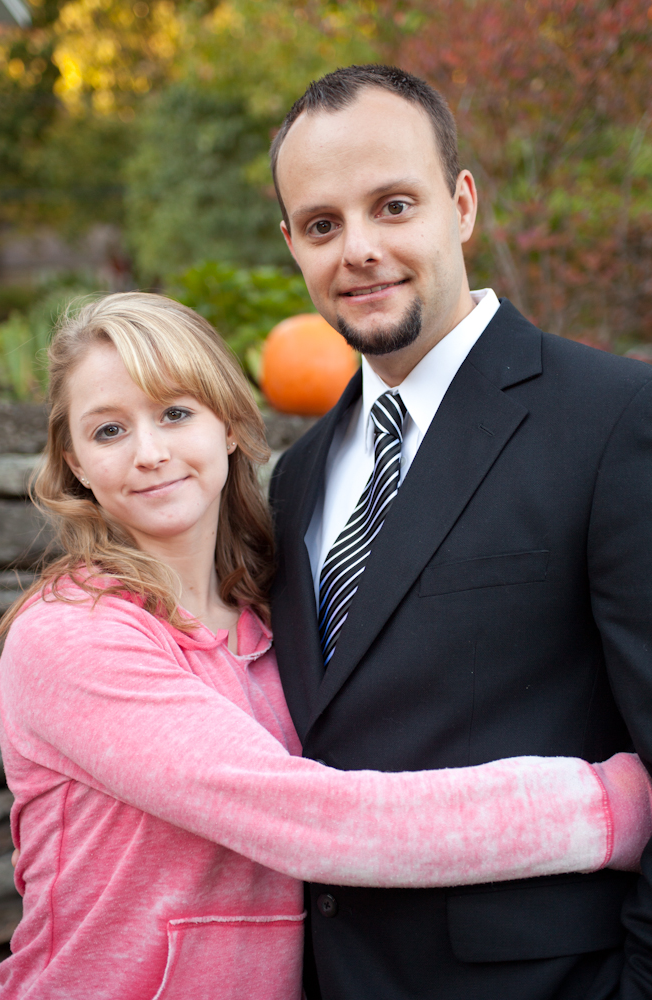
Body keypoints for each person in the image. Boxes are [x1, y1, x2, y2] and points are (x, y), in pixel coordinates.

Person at [0, 292, 649, 998]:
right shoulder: (73, 634)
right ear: (75, 461)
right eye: (109, 431)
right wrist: (613, 805)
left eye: (175, 413)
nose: (149, 453)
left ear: (228, 425)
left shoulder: (278, 615)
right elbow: (313, 820)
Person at [268, 64, 652, 999]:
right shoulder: (295, 478)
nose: (359, 249)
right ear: (292, 245)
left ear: (463, 204)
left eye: (392, 206)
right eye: (321, 225)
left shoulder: (612, 419)